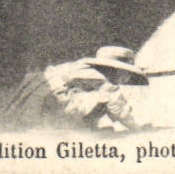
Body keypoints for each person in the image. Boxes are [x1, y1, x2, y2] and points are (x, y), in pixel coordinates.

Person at [9, 47, 148, 131]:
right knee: (104, 98)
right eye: (125, 74)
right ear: (114, 69)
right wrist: (136, 127)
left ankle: (80, 128)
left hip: (34, 100)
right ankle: (82, 129)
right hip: (52, 100)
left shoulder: (82, 69)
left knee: (89, 97)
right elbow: (116, 103)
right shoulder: (100, 78)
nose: (126, 79)